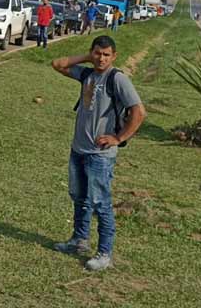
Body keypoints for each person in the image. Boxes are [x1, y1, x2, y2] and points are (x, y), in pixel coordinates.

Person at [51, 35, 146, 271]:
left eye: (106, 55)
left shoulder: (118, 79)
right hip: (79, 149)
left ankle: (105, 253)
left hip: (100, 154)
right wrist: (88, 57)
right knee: (79, 197)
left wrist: (119, 137)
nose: (101, 58)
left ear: (114, 56)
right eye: (97, 53)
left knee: (100, 202)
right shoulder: (87, 74)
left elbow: (139, 112)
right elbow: (58, 64)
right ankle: (79, 240)